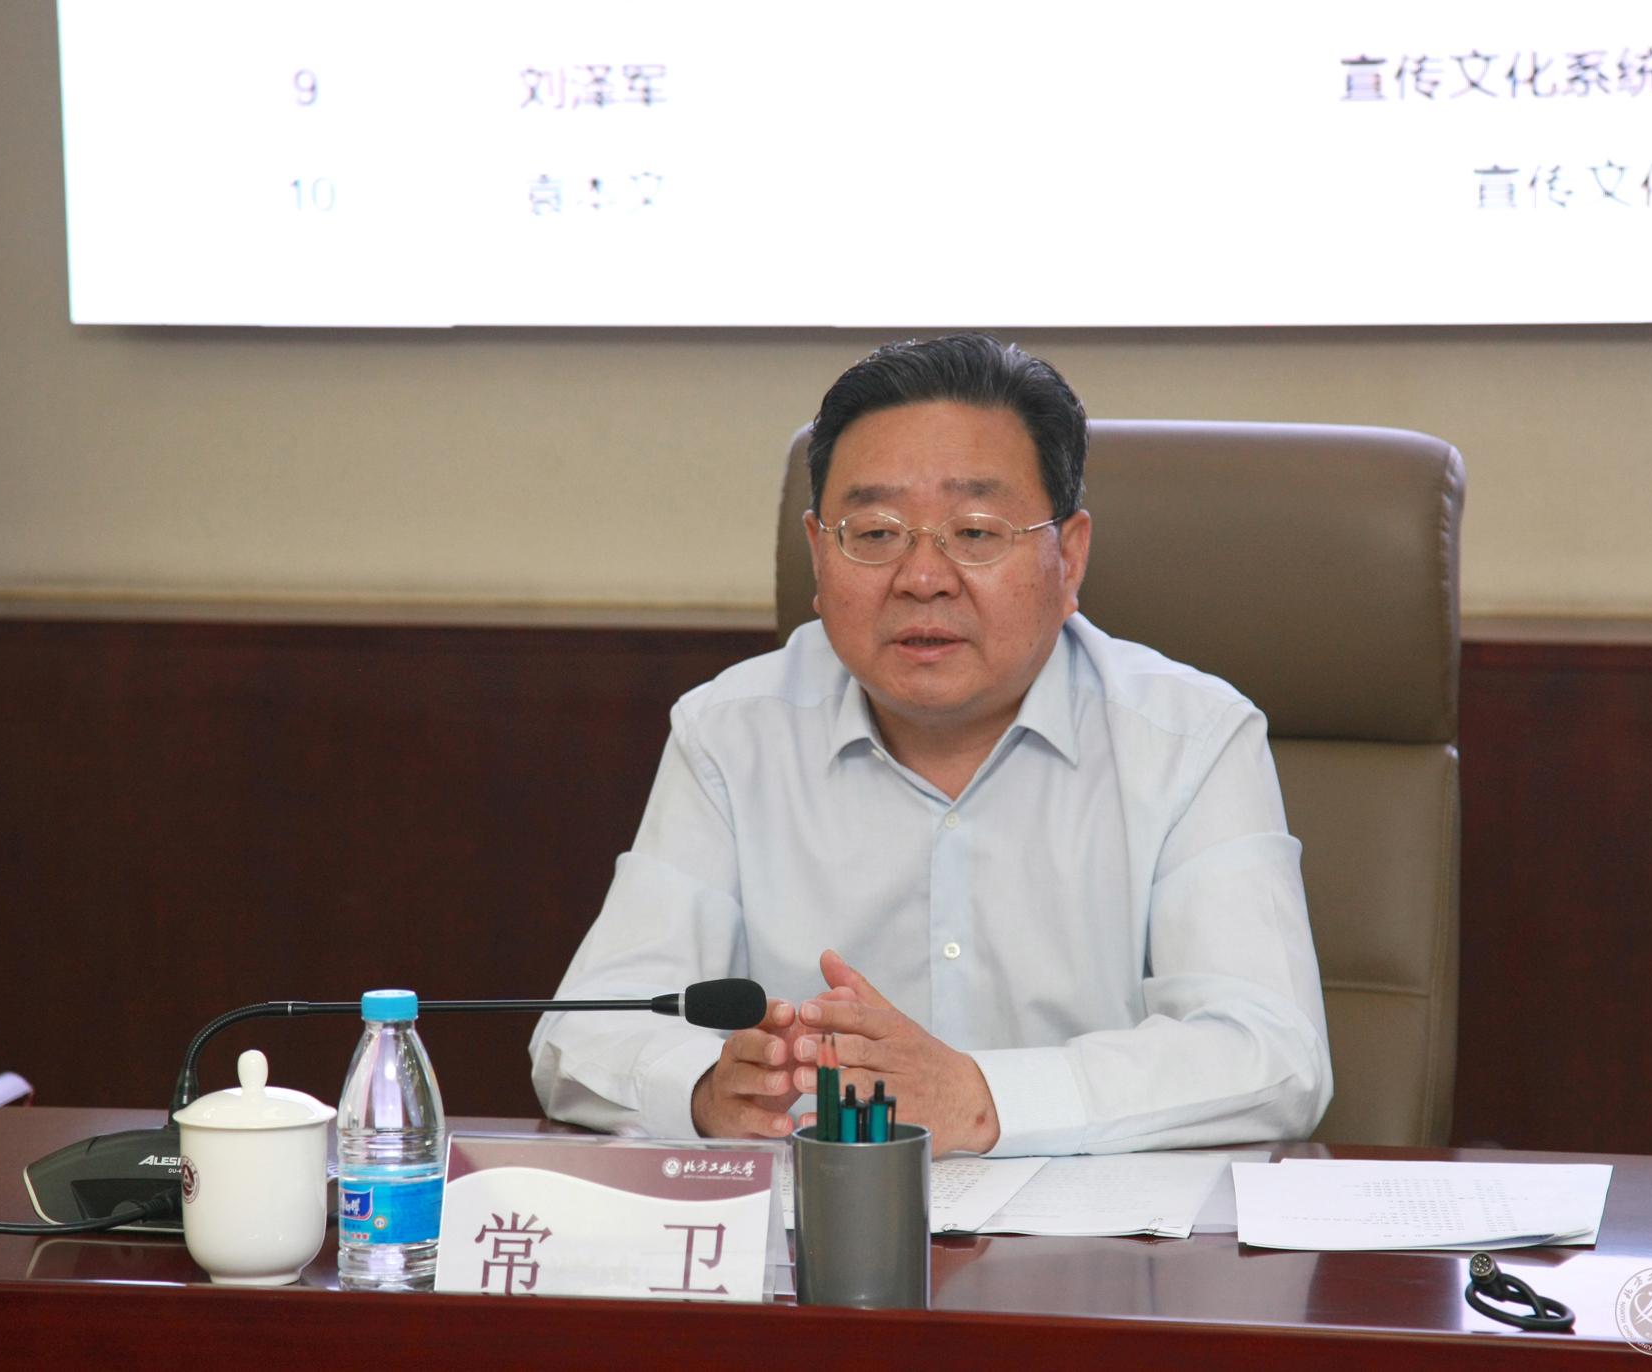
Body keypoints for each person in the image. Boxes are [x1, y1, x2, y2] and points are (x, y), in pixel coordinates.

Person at [529, 334, 1331, 1156]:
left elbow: (1271, 1054)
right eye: (875, 533)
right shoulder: (730, 733)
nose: (921, 577)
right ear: (818, 554)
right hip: (818, 1228)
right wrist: (705, 1089)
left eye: (975, 531)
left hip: (1103, 1236)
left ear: (1069, 557)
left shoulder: (1191, 739)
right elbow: (580, 1035)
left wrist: (981, 1100)